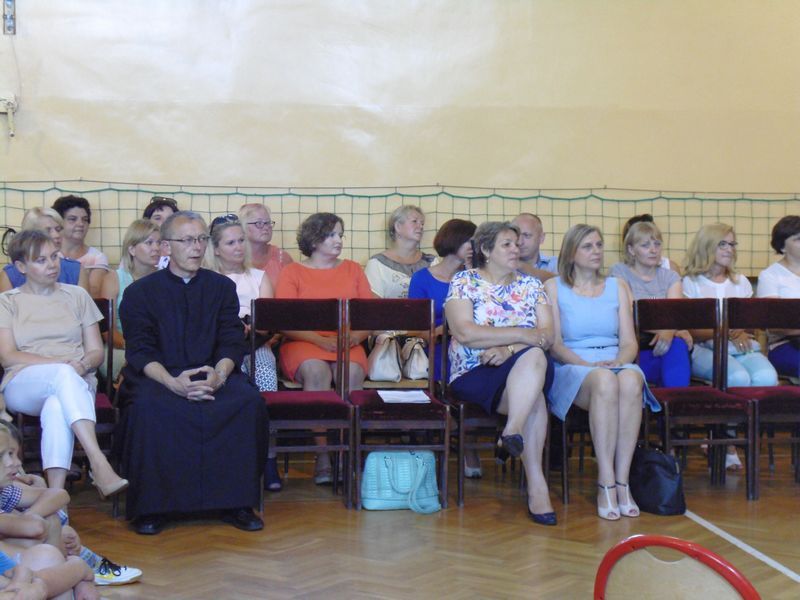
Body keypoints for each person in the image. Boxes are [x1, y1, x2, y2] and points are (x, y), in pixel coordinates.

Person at [118, 211, 266, 535]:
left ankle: (237, 503)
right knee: (147, 407)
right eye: (187, 240)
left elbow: (232, 341)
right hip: (160, 375)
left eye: (201, 239)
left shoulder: (221, 287)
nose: (196, 247)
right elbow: (140, 351)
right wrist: (173, 384)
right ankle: (152, 508)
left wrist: (219, 376)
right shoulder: (140, 293)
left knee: (246, 402)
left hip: (213, 372)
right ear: (167, 246)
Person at [545, 224, 660, 521]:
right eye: (587, 246)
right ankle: (605, 481)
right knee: (605, 381)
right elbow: (555, 344)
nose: (596, 251)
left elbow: (629, 342)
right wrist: (589, 367)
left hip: (614, 361)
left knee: (632, 378)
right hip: (574, 365)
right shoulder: (554, 287)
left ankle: (623, 481)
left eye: (598, 245)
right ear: (571, 253)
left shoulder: (617, 286)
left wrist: (618, 361)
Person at [0, 230, 128, 496]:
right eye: (41, 260)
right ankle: (98, 461)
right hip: (24, 382)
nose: (52, 264)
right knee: (62, 375)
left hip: (76, 381)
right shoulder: (7, 301)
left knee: (57, 406)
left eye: (54, 256)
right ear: (21, 267)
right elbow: (8, 355)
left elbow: (96, 352)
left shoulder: (77, 295)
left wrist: (82, 365)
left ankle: (56, 503)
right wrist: (61, 364)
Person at [445, 222, 556, 525]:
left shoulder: (532, 286)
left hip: (526, 366)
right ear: (485, 249)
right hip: (474, 371)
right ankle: (537, 487)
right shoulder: (464, 281)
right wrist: (521, 334)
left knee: (535, 356)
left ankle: (511, 431)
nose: (515, 249)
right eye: (507, 244)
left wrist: (509, 349)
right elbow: (465, 333)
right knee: (534, 400)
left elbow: (547, 337)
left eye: (517, 243)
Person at [275, 212, 372, 484]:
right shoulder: (292, 272)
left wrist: (355, 337)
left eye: (340, 234)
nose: (338, 240)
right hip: (303, 342)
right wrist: (319, 340)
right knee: (317, 372)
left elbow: (370, 315)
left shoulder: (353, 269)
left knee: (351, 372)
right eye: (331, 235)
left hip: (346, 342)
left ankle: (346, 451)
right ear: (314, 239)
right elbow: (283, 321)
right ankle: (323, 454)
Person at [683, 222, 778, 470]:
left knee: (767, 377)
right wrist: (725, 329)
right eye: (722, 244)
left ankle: (731, 434)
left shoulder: (740, 282)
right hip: (704, 349)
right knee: (736, 377)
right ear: (707, 246)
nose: (729, 249)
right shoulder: (690, 283)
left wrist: (740, 330)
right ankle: (726, 442)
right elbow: (691, 329)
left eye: (732, 244)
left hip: (740, 346)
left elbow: (749, 325)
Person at [0, 421, 141, 587]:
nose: (16, 463)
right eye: (6, 454)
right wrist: (47, 527)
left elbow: (59, 494)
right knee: (51, 535)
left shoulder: (6, 489)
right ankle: (78, 571)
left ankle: (77, 571)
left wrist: (31, 515)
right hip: (15, 565)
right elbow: (35, 528)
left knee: (53, 523)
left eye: (14, 454)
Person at [206, 215, 281, 491]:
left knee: (266, 381)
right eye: (230, 243)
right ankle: (227, 460)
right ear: (215, 249)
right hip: (219, 349)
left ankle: (268, 458)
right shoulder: (207, 280)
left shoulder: (259, 277)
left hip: (254, 345)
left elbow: (269, 319)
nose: (238, 247)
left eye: (241, 241)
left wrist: (252, 329)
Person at [408, 219, 483, 478]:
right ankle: (458, 435)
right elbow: (415, 330)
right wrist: (446, 329)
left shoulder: (477, 276)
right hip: (437, 347)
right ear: (452, 241)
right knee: (442, 372)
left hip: (471, 346)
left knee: (481, 370)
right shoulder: (422, 279)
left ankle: (468, 440)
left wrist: (473, 274)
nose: (473, 247)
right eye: (468, 241)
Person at [609, 221, 692, 387]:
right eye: (645, 245)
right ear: (631, 250)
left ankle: (675, 398)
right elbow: (631, 313)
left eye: (657, 244)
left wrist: (670, 331)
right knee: (676, 343)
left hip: (665, 345)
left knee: (678, 344)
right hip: (634, 347)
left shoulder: (670, 277)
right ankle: (672, 395)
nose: (653, 250)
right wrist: (667, 330)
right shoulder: (619, 272)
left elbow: (675, 314)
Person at [99, 220, 161, 381]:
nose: (156, 248)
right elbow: (107, 330)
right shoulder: (114, 278)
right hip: (120, 347)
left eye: (159, 242)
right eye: (149, 243)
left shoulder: (166, 279)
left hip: (158, 347)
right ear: (132, 249)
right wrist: (136, 348)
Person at [0, 208, 88, 294]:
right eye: (47, 231)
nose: (56, 235)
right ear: (30, 235)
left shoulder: (76, 270)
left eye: (58, 229)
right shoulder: (9, 275)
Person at [757, 215, 800, 378]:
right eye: (798, 239)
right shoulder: (770, 276)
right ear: (782, 246)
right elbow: (772, 324)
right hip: (784, 346)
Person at [364, 205, 435, 299]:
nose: (421, 226)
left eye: (422, 223)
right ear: (398, 226)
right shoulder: (377, 263)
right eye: (415, 221)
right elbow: (373, 304)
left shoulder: (432, 262)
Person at [51, 196, 108, 297]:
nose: (80, 224)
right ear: (58, 223)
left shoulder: (97, 257)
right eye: (72, 219)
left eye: (85, 219)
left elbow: (91, 294)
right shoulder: (48, 254)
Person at [239, 203, 293, 290]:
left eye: (268, 223)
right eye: (259, 223)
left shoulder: (282, 258)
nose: (266, 227)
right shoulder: (234, 258)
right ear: (243, 227)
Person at [511, 213, 558, 280]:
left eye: (527, 235)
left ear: (541, 238)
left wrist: (522, 267)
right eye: (516, 235)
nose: (520, 242)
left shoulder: (556, 265)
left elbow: (561, 283)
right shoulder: (501, 265)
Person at [142, 196, 178, 269]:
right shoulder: (138, 248)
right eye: (158, 218)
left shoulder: (183, 249)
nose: (164, 222)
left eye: (169, 218)